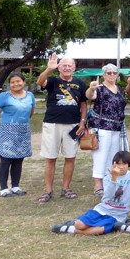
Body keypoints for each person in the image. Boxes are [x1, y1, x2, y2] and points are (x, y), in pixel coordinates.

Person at [52, 151, 130, 235]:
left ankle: (70, 229)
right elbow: (107, 197)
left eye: (124, 164)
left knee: (99, 230)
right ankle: (77, 224)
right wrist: (114, 178)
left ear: (129, 164)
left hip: (117, 216)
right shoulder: (108, 178)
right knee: (80, 225)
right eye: (118, 164)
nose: (121, 167)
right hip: (102, 210)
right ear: (113, 165)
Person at [37, 53, 87, 202]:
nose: (66, 68)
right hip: (52, 123)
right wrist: (48, 69)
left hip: (73, 125)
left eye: (69, 66)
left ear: (74, 68)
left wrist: (82, 121)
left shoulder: (80, 83)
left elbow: (83, 103)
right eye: (63, 65)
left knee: (70, 157)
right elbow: (40, 81)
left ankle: (66, 188)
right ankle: (48, 190)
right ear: (59, 67)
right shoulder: (52, 81)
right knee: (50, 158)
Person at [0, 74, 35, 198]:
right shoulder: (4, 96)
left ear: (24, 82)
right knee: (6, 159)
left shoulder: (30, 96)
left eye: (18, 81)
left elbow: (31, 112)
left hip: (23, 130)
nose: (16, 84)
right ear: (9, 84)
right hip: (7, 130)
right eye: (12, 82)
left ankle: (16, 187)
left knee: (19, 159)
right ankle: (4, 189)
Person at [86, 64, 128, 197]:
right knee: (100, 156)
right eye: (108, 73)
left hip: (116, 128)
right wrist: (91, 89)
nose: (112, 75)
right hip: (101, 127)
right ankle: (98, 185)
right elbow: (90, 96)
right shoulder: (100, 88)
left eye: (114, 73)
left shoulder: (119, 88)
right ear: (104, 75)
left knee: (113, 157)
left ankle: (111, 181)